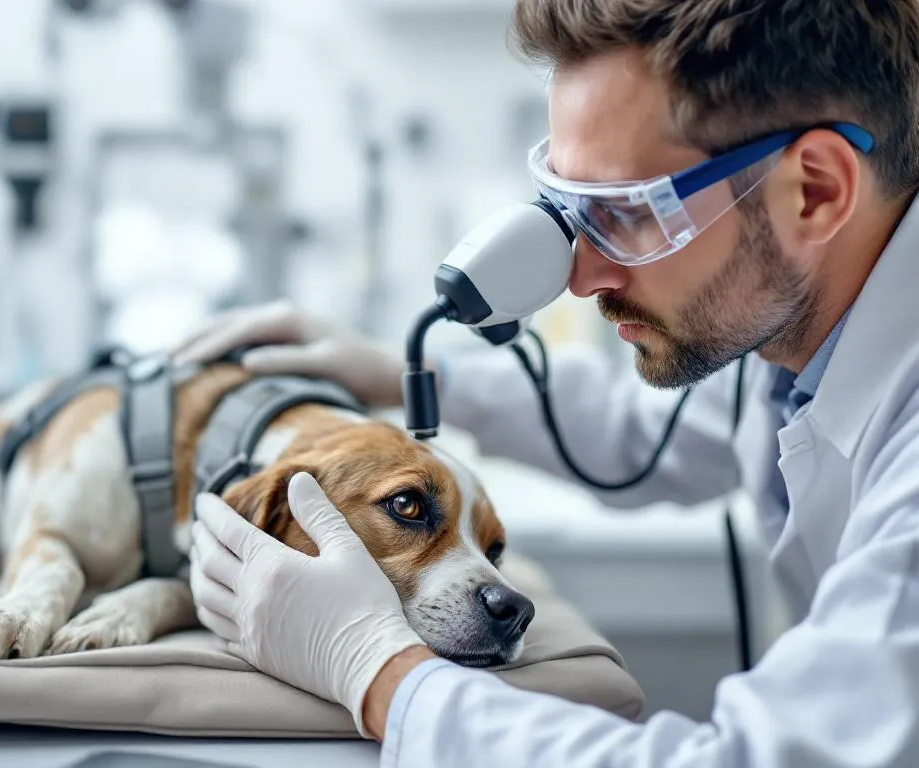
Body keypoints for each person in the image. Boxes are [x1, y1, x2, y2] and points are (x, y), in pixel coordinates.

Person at [174, 1, 919, 766]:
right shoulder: (788, 330)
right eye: (570, 212)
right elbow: (636, 439)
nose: (583, 276)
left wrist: (376, 671)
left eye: (625, 215)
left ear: (816, 191)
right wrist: (414, 377)